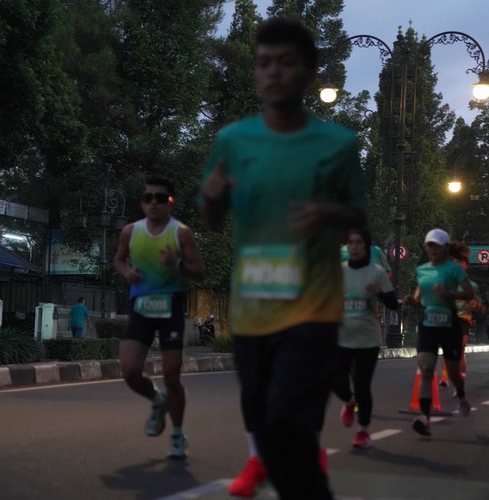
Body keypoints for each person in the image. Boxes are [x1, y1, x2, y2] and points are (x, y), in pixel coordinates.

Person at [200, 17, 366, 500]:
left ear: (309, 73)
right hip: (251, 312)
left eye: (285, 62)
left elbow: (359, 216)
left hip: (311, 311)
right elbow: (212, 219)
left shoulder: (339, 145)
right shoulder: (233, 141)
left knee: (286, 426)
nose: (272, 72)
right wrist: (211, 197)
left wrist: (328, 213)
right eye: (263, 63)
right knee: (264, 426)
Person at [114, 175, 205, 459]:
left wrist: (176, 263)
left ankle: (177, 434)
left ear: (170, 202)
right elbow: (119, 260)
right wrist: (127, 273)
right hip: (141, 307)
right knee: (129, 370)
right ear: (142, 203)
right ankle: (157, 399)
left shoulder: (181, 233)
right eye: (148, 197)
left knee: (171, 375)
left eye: (160, 197)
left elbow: (199, 271)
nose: (154, 202)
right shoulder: (130, 231)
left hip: (171, 308)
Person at [332, 227, 398, 449]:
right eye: (350, 243)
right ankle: (349, 401)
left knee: (362, 385)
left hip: (368, 338)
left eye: (359, 243)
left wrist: (377, 292)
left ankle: (362, 431)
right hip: (343, 335)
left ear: (367, 247)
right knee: (335, 379)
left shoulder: (376, 273)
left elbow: (393, 303)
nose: (354, 247)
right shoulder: (339, 272)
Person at [406, 229, 473, 437]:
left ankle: (461, 394)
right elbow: (418, 296)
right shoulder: (422, 270)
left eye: (436, 246)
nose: (433, 249)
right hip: (428, 324)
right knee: (426, 369)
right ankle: (425, 419)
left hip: (449, 324)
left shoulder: (454, 269)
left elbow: (469, 292)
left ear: (445, 248)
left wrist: (449, 293)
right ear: (426, 248)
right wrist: (411, 300)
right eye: (429, 245)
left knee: (453, 374)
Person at [439, 241, 483, 386]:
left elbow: (479, 305)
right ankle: (444, 378)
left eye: (461, 262)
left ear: (465, 266)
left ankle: (460, 375)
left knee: (460, 350)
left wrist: (475, 305)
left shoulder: (472, 286)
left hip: (463, 320)